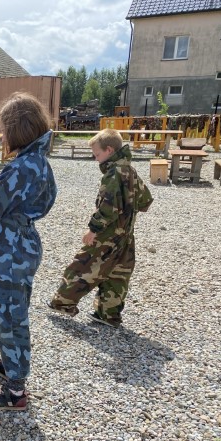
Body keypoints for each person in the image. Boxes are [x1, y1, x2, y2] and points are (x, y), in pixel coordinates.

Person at [0, 92, 57, 411]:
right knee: (10, 313)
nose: (3, 136)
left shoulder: (22, 167)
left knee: (9, 318)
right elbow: (1, 212)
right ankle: (10, 364)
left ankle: (16, 392)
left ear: (18, 130)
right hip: (17, 248)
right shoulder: (35, 162)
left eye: (5, 129)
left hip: (12, 254)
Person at [48, 128, 153, 327]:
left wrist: (93, 230)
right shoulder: (130, 170)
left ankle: (62, 303)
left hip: (107, 234)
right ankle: (108, 315)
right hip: (126, 235)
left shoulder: (113, 174)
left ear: (109, 150)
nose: (96, 159)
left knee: (83, 265)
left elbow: (108, 207)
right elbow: (145, 201)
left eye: (97, 154)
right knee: (118, 273)